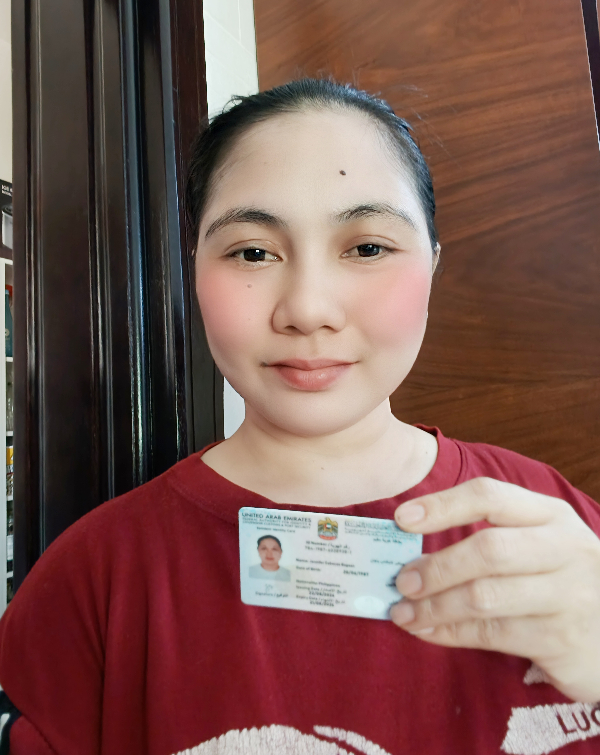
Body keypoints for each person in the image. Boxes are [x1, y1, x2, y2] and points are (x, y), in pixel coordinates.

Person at [0, 78, 599, 755]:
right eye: (253, 252)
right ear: (194, 271)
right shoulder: (93, 580)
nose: (308, 309)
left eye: (367, 248)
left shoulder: (558, 525)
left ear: (432, 265)